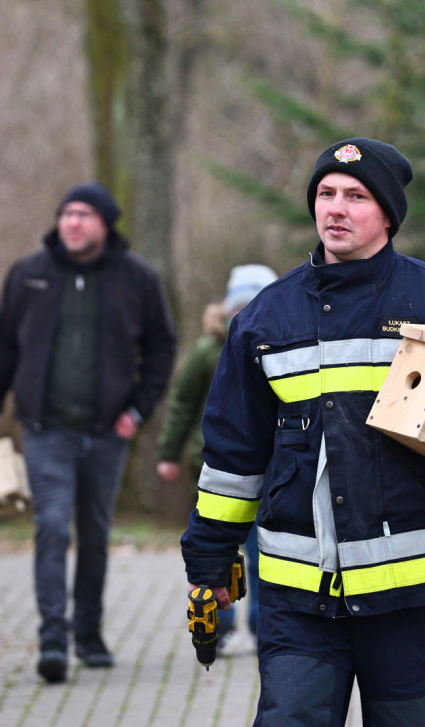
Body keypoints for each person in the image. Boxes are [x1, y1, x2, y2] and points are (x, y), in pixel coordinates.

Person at [180, 138, 425, 726]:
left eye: (356, 196)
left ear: (389, 215)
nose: (335, 209)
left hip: (412, 597)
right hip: (297, 597)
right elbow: (232, 458)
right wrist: (209, 562)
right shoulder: (263, 321)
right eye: (325, 194)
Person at [0, 182, 176, 684]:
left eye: (84, 214)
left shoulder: (137, 278)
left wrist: (139, 410)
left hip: (108, 432)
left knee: (96, 535)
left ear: (105, 224)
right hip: (45, 429)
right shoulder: (29, 275)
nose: (73, 222)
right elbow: (2, 349)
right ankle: (53, 639)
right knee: (53, 525)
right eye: (66, 214)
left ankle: (89, 633)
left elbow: (162, 348)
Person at [156, 264, 278, 654]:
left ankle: (263, 623)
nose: (245, 314)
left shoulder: (280, 346)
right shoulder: (208, 350)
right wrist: (169, 453)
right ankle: (219, 624)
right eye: (239, 307)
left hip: (272, 467)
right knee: (217, 549)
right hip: (213, 466)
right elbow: (181, 404)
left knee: (263, 553)